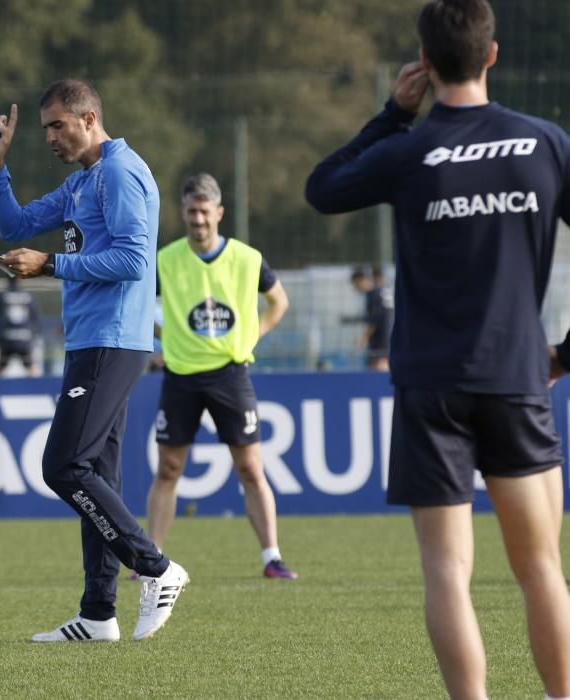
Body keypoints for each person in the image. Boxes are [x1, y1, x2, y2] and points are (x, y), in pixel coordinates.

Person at [305, 1, 570, 697]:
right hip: (519, 378)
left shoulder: (408, 151)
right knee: (541, 565)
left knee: (447, 572)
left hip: (431, 388)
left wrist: (393, 114)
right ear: (493, 54)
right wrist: (567, 353)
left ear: (423, 63)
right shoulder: (542, 143)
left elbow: (322, 188)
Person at [0, 78, 188, 642]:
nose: (49, 136)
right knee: (98, 476)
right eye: (45, 127)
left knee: (63, 468)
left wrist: (48, 265)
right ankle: (99, 614)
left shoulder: (120, 171)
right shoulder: (82, 182)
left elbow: (131, 259)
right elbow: (16, 225)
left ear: (89, 119)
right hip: (91, 340)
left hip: (112, 339)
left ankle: (157, 568)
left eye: (57, 125)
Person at [146, 173, 297, 580]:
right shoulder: (165, 259)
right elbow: (137, 307)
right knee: (168, 470)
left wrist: (254, 335)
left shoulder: (247, 258)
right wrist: (165, 337)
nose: (197, 219)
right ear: (182, 212)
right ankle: (150, 559)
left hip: (231, 375)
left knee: (250, 468)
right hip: (180, 376)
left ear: (219, 213)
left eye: (204, 211)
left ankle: (272, 556)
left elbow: (278, 302)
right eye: (191, 211)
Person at [344, 264, 393, 371]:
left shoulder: (373, 295)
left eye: (355, 284)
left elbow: (373, 321)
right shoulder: (382, 291)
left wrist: (362, 340)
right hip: (389, 340)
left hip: (380, 344)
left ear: (361, 280)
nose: (355, 288)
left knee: (379, 372)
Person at [0, 276, 42, 377]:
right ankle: (39, 388)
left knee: (1, 369)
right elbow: (36, 318)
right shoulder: (28, 296)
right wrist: (35, 336)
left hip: (7, 339)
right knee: (32, 368)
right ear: (20, 280)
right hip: (24, 339)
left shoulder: (1, 296)